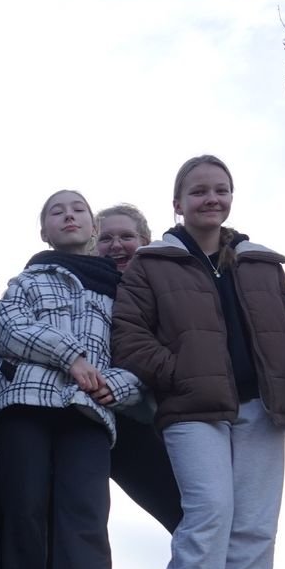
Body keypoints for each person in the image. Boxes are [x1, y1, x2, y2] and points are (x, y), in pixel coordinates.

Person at [112, 155, 285, 569]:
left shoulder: (262, 265)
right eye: (198, 191)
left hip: (261, 408)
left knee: (255, 523)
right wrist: (179, 374)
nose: (211, 198)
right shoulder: (152, 264)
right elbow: (129, 337)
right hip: (191, 410)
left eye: (221, 189)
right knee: (209, 511)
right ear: (178, 203)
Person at [0, 190, 144, 569]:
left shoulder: (121, 292)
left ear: (93, 228)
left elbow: (136, 353)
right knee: (24, 513)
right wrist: (71, 357)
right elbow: (9, 329)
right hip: (25, 402)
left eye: (78, 209)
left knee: (86, 516)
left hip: (89, 412)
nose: (69, 216)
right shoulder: (28, 279)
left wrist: (117, 385)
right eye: (57, 211)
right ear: (45, 231)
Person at [96, 203, 182, 534]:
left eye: (126, 237)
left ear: (144, 241)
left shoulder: (167, 286)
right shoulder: (87, 290)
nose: (116, 245)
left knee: (192, 514)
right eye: (106, 238)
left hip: (171, 414)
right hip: (118, 421)